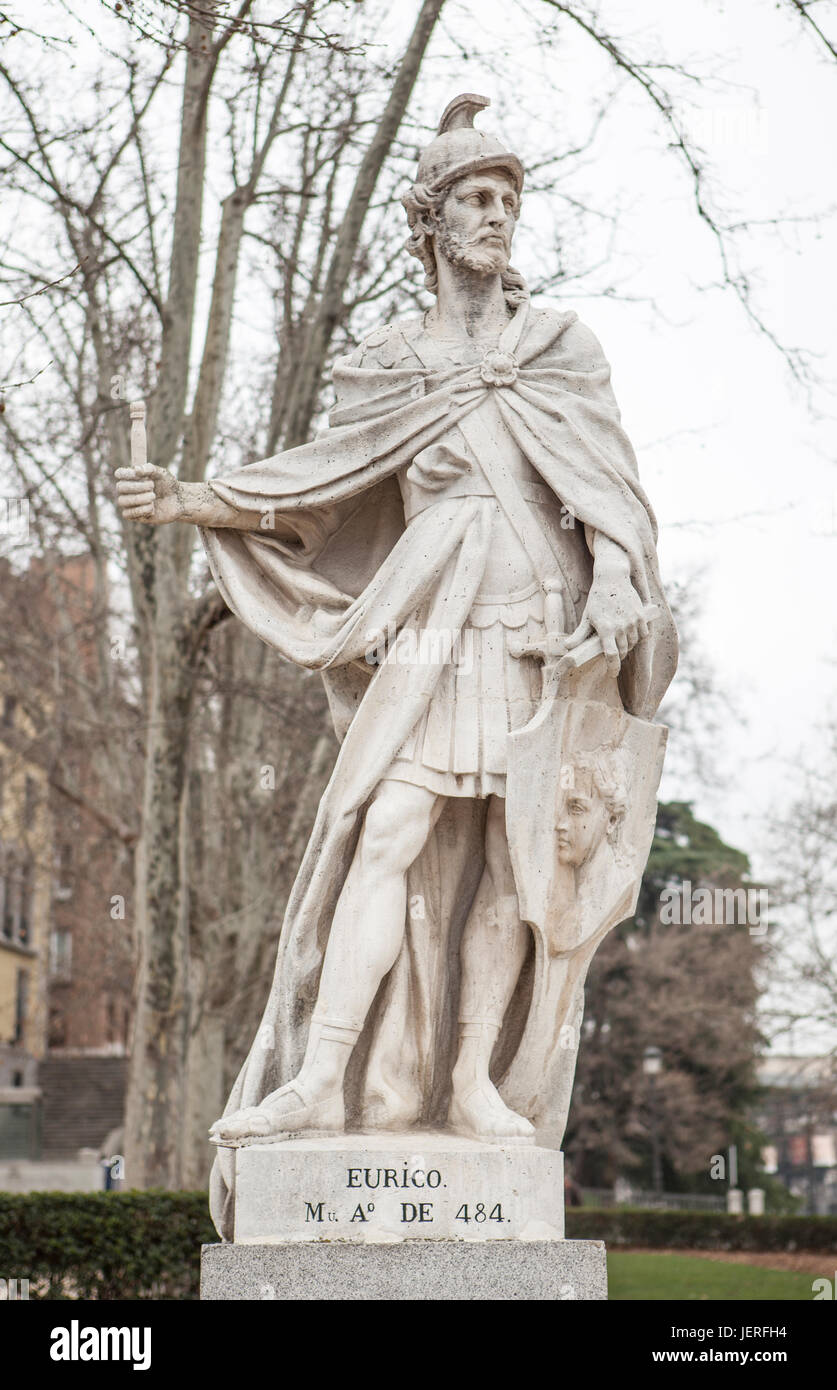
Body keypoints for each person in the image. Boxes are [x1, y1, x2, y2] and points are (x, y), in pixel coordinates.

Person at [117, 93, 676, 1238]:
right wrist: (188, 501)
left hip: (536, 631)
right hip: (431, 634)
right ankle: (323, 1076)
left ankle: (471, 1082)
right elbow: (314, 487)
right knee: (385, 834)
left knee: (514, 874)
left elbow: (614, 498)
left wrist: (619, 580)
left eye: (509, 199)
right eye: (475, 197)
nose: (497, 216)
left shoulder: (560, 349)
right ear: (429, 221)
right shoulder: (387, 367)